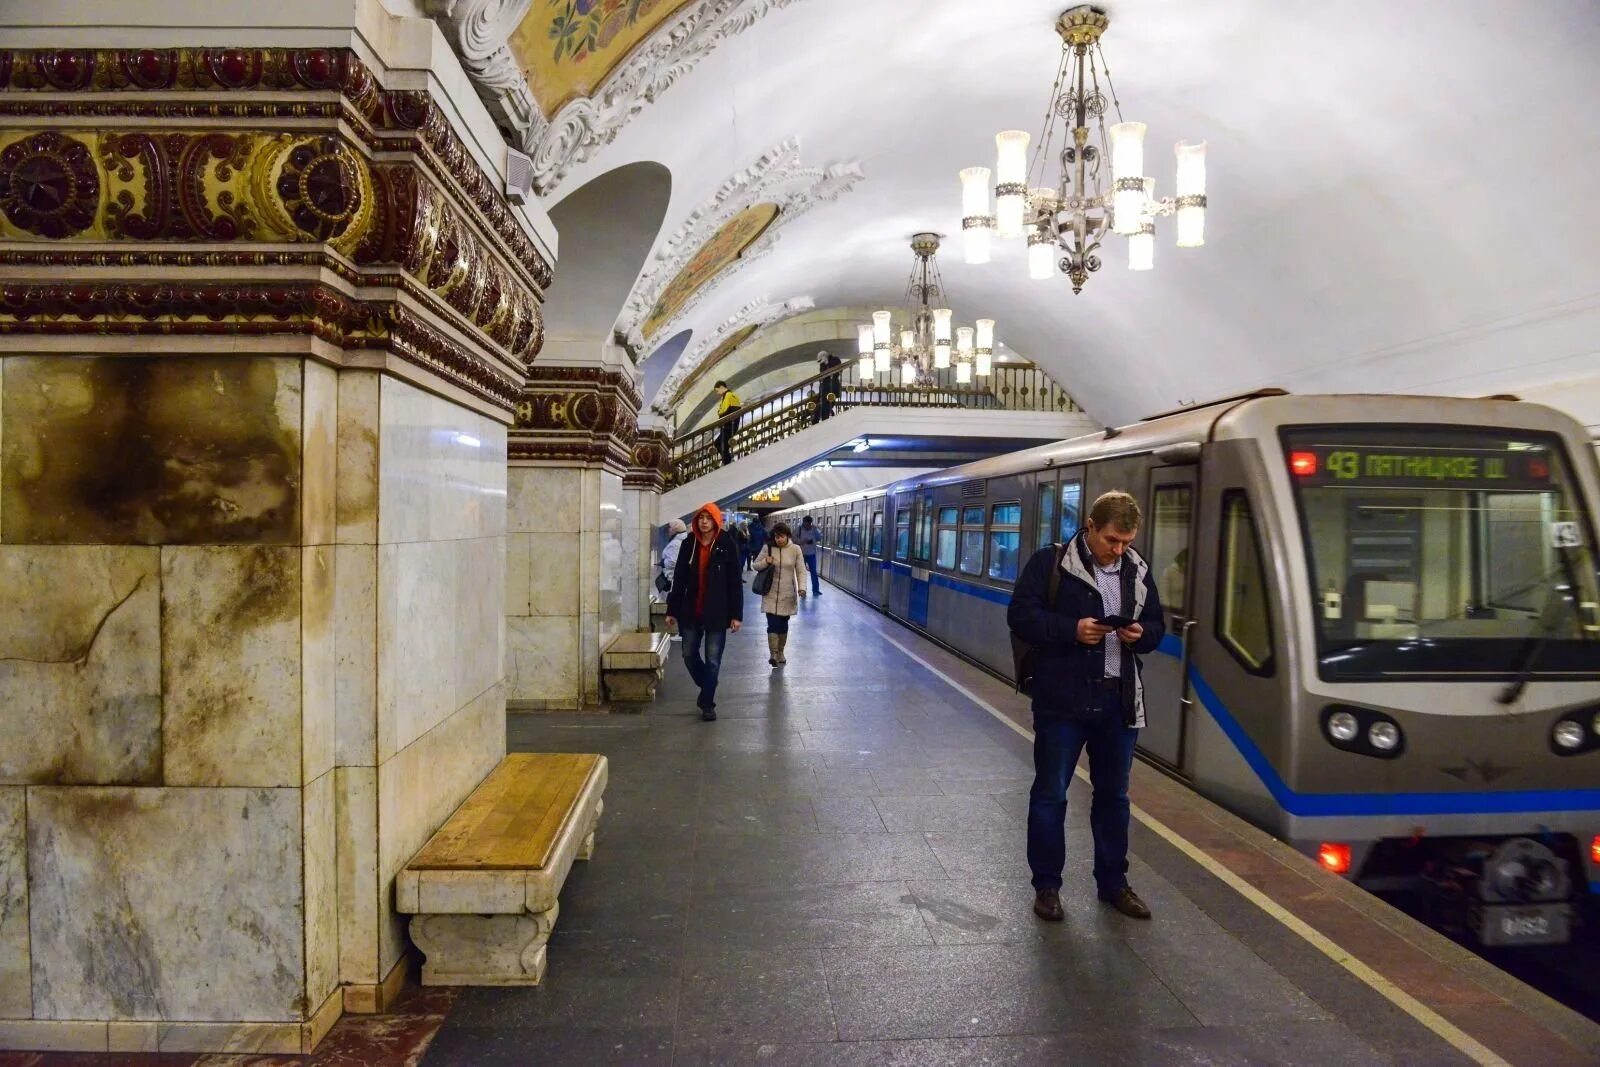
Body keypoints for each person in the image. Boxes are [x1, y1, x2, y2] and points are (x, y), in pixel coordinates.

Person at [1006, 490, 1165, 922]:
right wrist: (1071, 629)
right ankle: (1047, 887)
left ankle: (1114, 884)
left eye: (1127, 542)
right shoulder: (1051, 564)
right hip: (1063, 703)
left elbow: (1157, 626)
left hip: (1119, 704)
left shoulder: (1137, 570)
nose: (1119, 550)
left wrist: (1141, 635)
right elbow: (1020, 616)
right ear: (1090, 527)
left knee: (1113, 797)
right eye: (1112, 540)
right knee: (1051, 795)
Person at [665, 502, 743, 721]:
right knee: (688, 654)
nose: (704, 521)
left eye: (709, 518)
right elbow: (679, 579)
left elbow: (735, 582)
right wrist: (672, 609)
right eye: (701, 518)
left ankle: (707, 703)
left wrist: (737, 615)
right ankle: (709, 684)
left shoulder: (726, 544)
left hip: (717, 612)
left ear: (716, 520)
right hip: (691, 609)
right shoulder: (689, 543)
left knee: (713, 659)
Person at [752, 521, 808, 666]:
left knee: (783, 626)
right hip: (770, 593)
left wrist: (802, 587)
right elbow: (755, 565)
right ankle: (773, 654)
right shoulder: (768, 548)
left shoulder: (795, 549)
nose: (779, 539)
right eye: (776, 537)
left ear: (788, 536)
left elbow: (801, 570)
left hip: (787, 595)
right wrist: (766, 561)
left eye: (782, 536)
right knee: (772, 624)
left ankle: (781, 652)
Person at [659, 518, 688, 641]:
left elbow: (674, 562)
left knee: (678, 605)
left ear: (675, 529)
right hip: (677, 578)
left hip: (674, 578)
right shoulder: (681, 540)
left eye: (670, 528)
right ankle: (682, 632)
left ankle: (682, 633)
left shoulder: (676, 543)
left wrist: (662, 562)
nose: (668, 530)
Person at [713, 381, 742, 465]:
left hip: (729, 426)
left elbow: (735, 411)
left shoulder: (731, 396)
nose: (718, 393)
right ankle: (727, 461)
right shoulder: (726, 397)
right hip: (726, 426)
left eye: (717, 391)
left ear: (722, 387)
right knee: (721, 444)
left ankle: (728, 462)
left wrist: (728, 424)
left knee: (718, 443)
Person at [811, 349, 843, 424]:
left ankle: (821, 423)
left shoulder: (835, 359)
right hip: (824, 390)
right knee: (822, 407)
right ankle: (821, 423)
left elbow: (836, 372)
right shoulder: (822, 364)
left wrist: (827, 363)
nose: (820, 362)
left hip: (832, 388)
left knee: (825, 407)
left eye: (820, 360)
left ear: (824, 356)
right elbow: (823, 376)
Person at [797, 515, 822, 597]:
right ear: (804, 522)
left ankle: (816, 590)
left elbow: (819, 538)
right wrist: (801, 541)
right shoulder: (799, 529)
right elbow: (793, 539)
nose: (808, 525)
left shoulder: (814, 529)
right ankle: (802, 590)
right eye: (807, 523)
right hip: (801, 554)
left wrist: (816, 530)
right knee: (802, 573)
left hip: (812, 554)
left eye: (809, 524)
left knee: (814, 572)